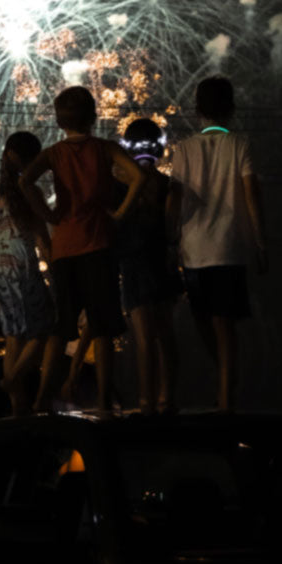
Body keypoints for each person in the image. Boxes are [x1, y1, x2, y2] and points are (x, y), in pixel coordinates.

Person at [20, 86, 144, 413]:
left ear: (60, 121)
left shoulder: (53, 153)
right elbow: (137, 178)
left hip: (63, 248)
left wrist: (48, 216)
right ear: (93, 115)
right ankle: (104, 399)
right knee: (103, 327)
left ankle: (41, 398)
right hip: (98, 245)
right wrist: (120, 214)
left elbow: (24, 182)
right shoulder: (105, 149)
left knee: (61, 328)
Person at [166, 76, 268, 411]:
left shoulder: (184, 149)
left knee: (207, 323)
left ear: (197, 110)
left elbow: (175, 198)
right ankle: (227, 388)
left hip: (192, 251)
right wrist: (260, 243)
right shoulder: (239, 144)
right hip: (229, 248)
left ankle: (225, 393)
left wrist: (170, 237)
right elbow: (252, 193)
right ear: (231, 107)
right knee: (223, 326)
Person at [115, 117, 180, 414]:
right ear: (160, 147)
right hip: (162, 261)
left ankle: (146, 401)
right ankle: (168, 397)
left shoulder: (119, 183)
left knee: (143, 337)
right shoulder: (169, 185)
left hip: (133, 260)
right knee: (166, 334)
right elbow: (172, 226)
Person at [0, 131, 54, 416]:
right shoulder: (31, 191)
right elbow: (41, 237)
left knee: (13, 336)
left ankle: (18, 409)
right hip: (21, 266)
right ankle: (11, 381)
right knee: (46, 327)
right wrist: (54, 269)